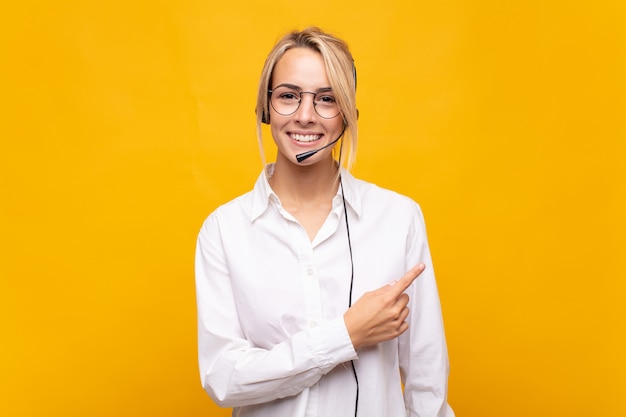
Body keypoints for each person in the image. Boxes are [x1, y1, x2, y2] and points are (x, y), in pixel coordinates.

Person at [195, 27, 455, 417]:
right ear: (265, 108)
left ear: (347, 115)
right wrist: (345, 335)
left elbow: (427, 378)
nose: (305, 116)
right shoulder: (224, 230)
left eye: (327, 100)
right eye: (288, 96)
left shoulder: (398, 218)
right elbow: (224, 377)